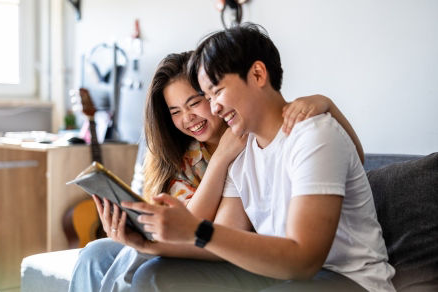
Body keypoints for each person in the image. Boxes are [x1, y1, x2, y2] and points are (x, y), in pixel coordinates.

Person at [122, 24, 395, 292]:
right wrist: (148, 245)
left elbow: (305, 261)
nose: (214, 107)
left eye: (216, 92)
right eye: (206, 96)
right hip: (278, 274)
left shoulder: (314, 135)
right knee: (154, 276)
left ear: (257, 74)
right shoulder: (240, 150)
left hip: (347, 279)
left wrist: (197, 229)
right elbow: (225, 236)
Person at [69, 50, 366, 291]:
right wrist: (139, 236)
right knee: (95, 255)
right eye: (175, 112)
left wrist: (327, 104)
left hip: (234, 251)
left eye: (196, 102)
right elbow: (185, 228)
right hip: (203, 244)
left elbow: (350, 157)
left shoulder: (257, 138)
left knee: (143, 266)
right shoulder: (187, 157)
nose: (188, 118)